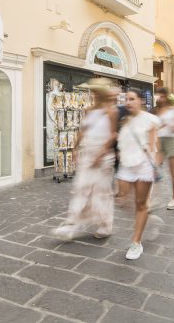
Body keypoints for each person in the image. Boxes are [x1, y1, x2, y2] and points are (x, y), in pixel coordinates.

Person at [52, 78, 118, 240]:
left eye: (95, 92)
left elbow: (113, 135)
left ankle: (105, 224)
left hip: (103, 156)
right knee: (81, 187)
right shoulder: (89, 110)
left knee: (101, 191)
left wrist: (101, 155)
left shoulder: (111, 111)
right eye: (92, 91)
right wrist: (75, 148)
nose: (93, 94)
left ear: (100, 93)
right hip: (88, 153)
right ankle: (71, 224)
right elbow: (83, 130)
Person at [116, 89, 161, 260]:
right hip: (126, 165)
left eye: (132, 99)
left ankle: (136, 243)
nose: (128, 102)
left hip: (143, 165)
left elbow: (154, 143)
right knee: (122, 199)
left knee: (140, 203)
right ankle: (147, 218)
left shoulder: (150, 120)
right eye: (126, 99)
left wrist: (154, 160)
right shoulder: (124, 120)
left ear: (141, 101)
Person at [154, 87, 174, 210]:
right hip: (159, 141)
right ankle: (155, 198)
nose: (159, 98)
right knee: (154, 169)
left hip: (171, 141)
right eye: (158, 96)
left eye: (161, 96)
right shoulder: (157, 111)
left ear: (166, 96)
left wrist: (171, 125)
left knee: (173, 172)